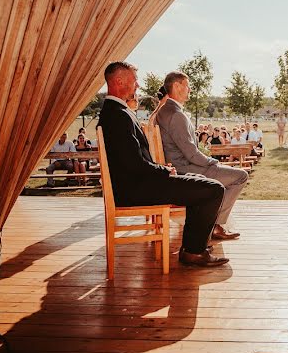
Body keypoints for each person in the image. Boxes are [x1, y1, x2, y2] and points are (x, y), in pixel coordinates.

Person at [97, 61, 228, 267]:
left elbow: (133, 161)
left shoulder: (113, 112)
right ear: (119, 81)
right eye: (134, 81)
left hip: (138, 184)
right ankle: (193, 252)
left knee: (201, 180)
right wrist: (164, 170)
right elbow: (134, 164)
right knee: (213, 189)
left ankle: (194, 245)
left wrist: (162, 171)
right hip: (137, 189)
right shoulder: (117, 116)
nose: (138, 86)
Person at [155, 71, 247, 240]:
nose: (189, 90)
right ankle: (215, 224)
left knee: (231, 175)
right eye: (187, 85)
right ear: (176, 86)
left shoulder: (164, 111)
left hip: (179, 165)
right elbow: (191, 154)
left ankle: (213, 222)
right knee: (240, 176)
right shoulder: (176, 115)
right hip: (186, 169)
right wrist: (213, 162)